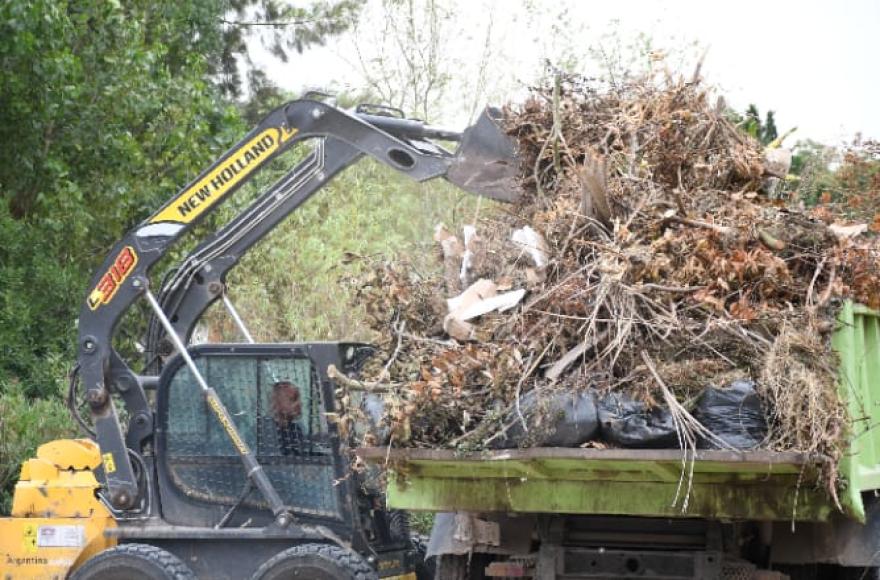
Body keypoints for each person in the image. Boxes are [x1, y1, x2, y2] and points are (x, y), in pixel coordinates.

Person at [269, 381, 306, 455]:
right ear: (278, 402)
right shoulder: (266, 431)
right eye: (293, 399)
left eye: (298, 399)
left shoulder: (296, 428)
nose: (299, 403)